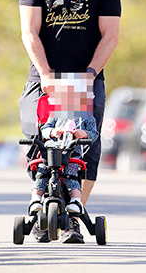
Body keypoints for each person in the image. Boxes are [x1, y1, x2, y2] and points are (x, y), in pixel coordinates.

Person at [18, 0, 121, 243]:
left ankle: (74, 218)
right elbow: (29, 32)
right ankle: (43, 204)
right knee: (39, 138)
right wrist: (46, 74)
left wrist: (90, 73)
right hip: (45, 75)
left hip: (85, 77)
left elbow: (110, 35)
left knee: (83, 145)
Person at [28, 74, 99, 244]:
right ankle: (35, 199)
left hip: (72, 152)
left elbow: (94, 133)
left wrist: (85, 134)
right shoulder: (56, 114)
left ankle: (75, 201)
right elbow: (45, 128)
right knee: (42, 173)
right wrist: (52, 132)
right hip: (52, 152)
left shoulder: (86, 116)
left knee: (71, 174)